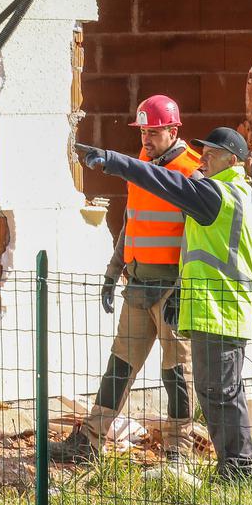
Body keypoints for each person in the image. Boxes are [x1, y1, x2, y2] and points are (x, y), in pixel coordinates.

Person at [75, 126, 252, 481]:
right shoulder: (245, 195)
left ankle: (237, 470)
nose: (204, 157)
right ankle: (237, 469)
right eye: (203, 151)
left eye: (212, 153)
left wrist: (115, 162)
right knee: (221, 392)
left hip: (218, 310)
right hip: (218, 308)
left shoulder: (216, 195)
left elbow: (165, 183)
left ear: (233, 160)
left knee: (218, 393)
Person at [51, 94, 202, 464]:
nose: (146, 139)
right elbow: (131, 225)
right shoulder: (141, 165)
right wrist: (112, 271)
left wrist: (185, 287)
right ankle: (88, 442)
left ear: (173, 129)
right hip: (137, 287)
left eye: (153, 132)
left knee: (176, 373)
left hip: (172, 291)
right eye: (143, 132)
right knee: (120, 365)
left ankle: (178, 449)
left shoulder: (192, 173)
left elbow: (198, 241)